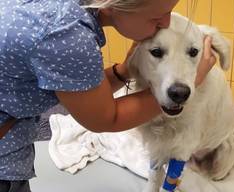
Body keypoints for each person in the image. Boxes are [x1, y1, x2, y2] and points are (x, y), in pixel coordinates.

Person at [0, 0, 216, 191]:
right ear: (115, 4)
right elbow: (107, 118)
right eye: (157, 17)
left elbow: (83, 91)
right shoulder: (66, 35)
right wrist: (195, 80)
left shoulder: (59, 11)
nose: (166, 23)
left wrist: (125, 70)